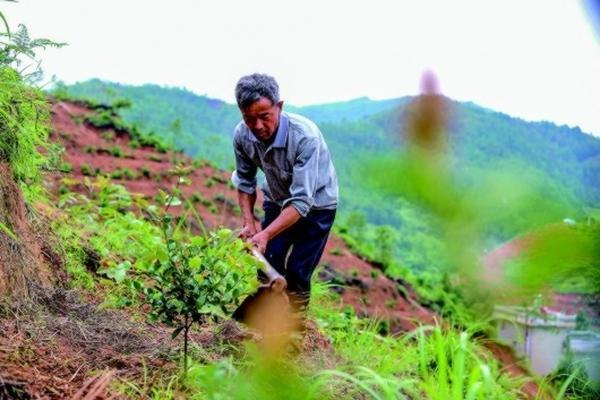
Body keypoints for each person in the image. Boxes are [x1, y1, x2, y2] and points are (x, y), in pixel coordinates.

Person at [231, 73, 338, 315]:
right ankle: (261, 324)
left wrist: (266, 232)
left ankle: (292, 338)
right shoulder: (241, 135)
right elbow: (245, 181)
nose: (257, 126)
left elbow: (301, 202)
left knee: (299, 272)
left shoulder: (305, 137)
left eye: (264, 116)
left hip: (317, 206)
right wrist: (249, 222)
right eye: (249, 118)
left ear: (279, 107)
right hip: (278, 200)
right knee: (268, 261)